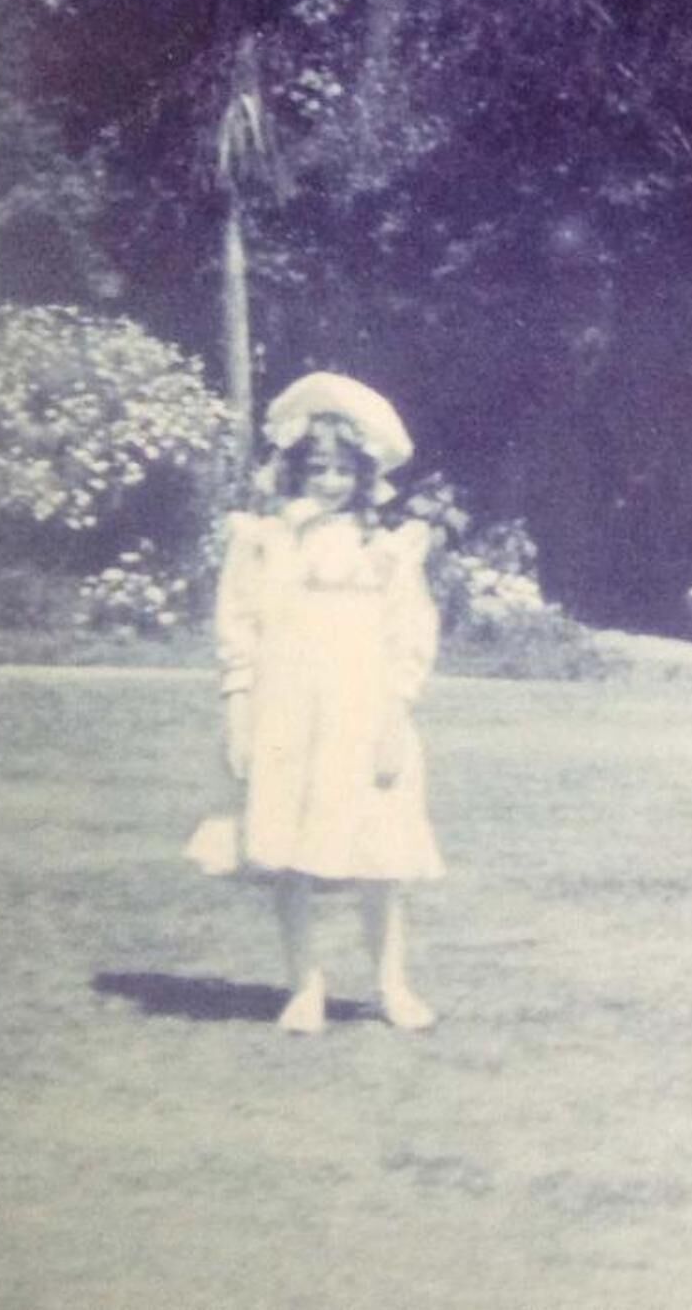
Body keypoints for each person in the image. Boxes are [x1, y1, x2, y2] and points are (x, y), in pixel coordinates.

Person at [192, 372, 444, 1034]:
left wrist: (395, 716)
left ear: (363, 475)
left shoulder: (384, 548)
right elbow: (239, 630)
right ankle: (304, 984)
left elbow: (408, 636)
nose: (329, 482)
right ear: (293, 470)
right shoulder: (265, 540)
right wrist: (239, 713)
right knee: (291, 852)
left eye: (341, 470)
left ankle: (391, 984)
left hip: (364, 716)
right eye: (316, 469)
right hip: (287, 717)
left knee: (379, 854)